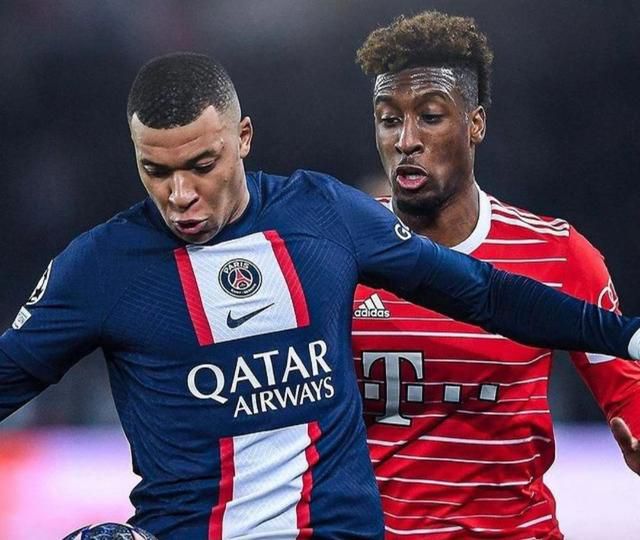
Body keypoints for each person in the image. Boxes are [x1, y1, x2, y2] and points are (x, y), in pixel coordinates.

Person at [1, 53, 639, 540]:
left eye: (202, 165)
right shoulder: (99, 265)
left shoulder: (323, 214)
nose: (180, 195)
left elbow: (483, 292)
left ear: (243, 138)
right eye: (156, 171)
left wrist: (623, 334)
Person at [352, 11, 640, 539]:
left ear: (476, 123)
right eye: (389, 119)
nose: (406, 140)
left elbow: (626, 388)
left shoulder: (557, 253)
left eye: (431, 116)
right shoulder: (338, 254)